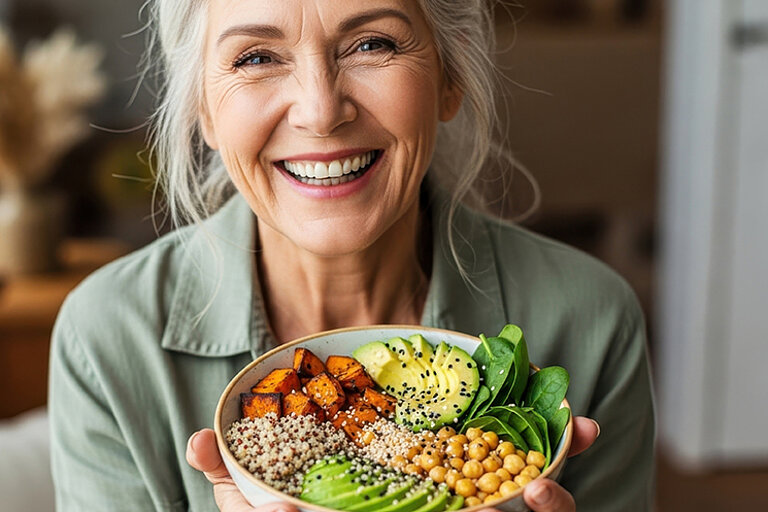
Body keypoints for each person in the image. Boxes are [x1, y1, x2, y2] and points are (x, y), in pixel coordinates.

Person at [49, 1, 655, 511]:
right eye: (256, 57)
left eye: (372, 44)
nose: (320, 110)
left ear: (450, 78)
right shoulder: (105, 336)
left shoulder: (592, 317)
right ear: (204, 109)